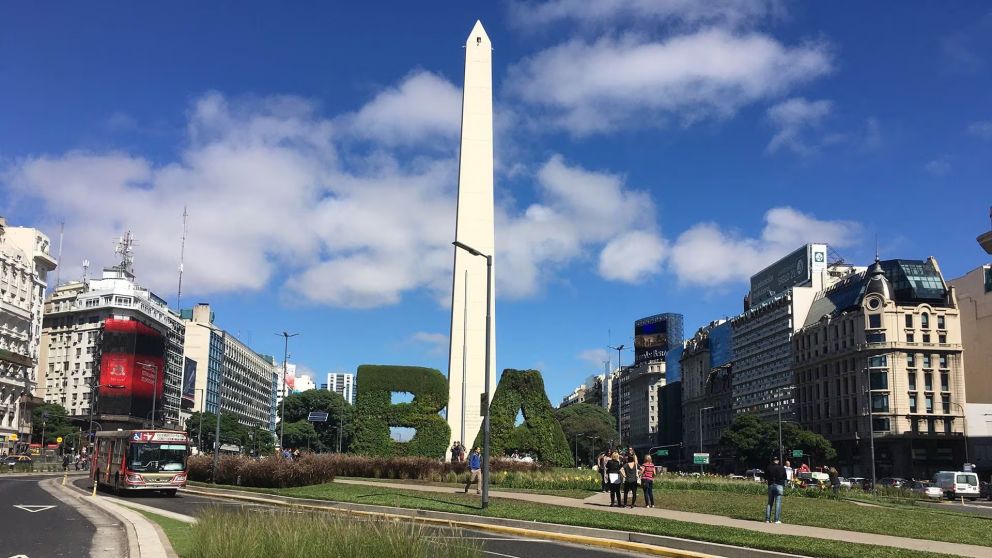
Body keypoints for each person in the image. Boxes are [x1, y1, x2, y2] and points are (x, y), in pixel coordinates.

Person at [765, 456, 787, 524]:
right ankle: (776, 519)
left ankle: (767, 519)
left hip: (771, 485)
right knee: (778, 503)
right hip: (779, 485)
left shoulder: (768, 467)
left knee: (769, 503)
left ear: (772, 461)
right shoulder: (782, 468)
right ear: (778, 461)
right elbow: (785, 477)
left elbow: (765, 477)